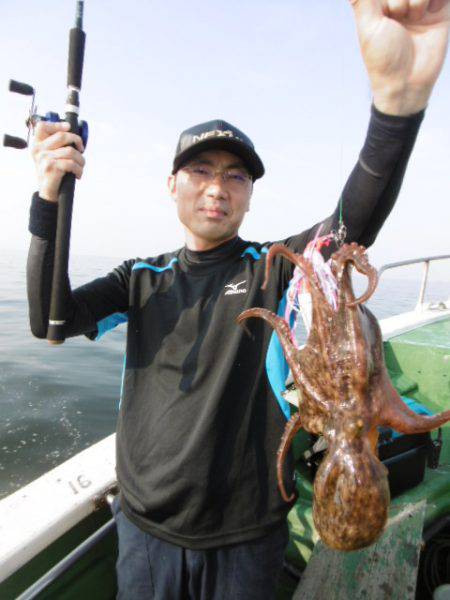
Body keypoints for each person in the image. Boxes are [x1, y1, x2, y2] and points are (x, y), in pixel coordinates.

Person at [27, 1, 449, 598]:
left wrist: (397, 106)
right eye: (200, 170)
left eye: (236, 176)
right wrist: (47, 197)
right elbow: (50, 320)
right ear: (171, 184)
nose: (217, 188)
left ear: (249, 195)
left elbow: (352, 223)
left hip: (248, 540)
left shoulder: (273, 267)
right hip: (146, 534)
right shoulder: (141, 278)